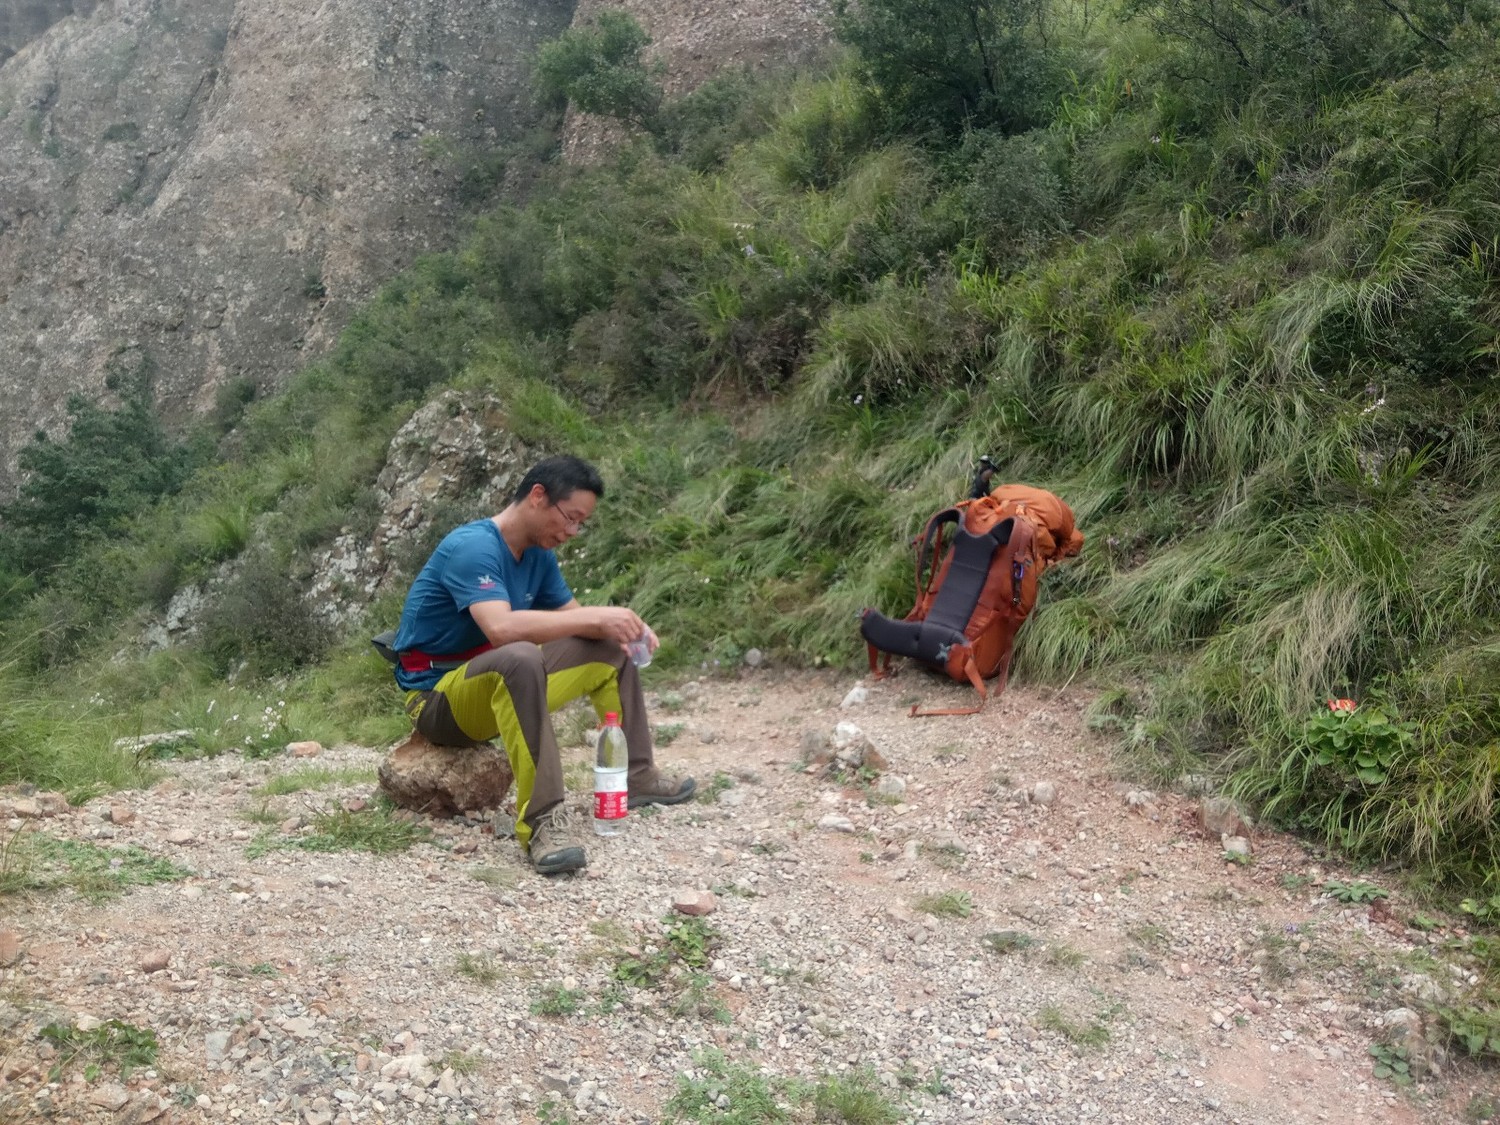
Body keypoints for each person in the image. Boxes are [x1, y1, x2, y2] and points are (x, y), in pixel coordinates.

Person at [390, 454, 696, 874]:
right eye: (569, 518)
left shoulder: (538, 557)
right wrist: (595, 616)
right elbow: (499, 628)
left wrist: (622, 627)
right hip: (438, 700)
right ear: (538, 496)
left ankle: (637, 776)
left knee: (611, 648)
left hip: (501, 683)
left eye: (580, 524)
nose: (572, 532)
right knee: (520, 655)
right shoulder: (473, 547)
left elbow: (575, 622)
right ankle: (543, 823)